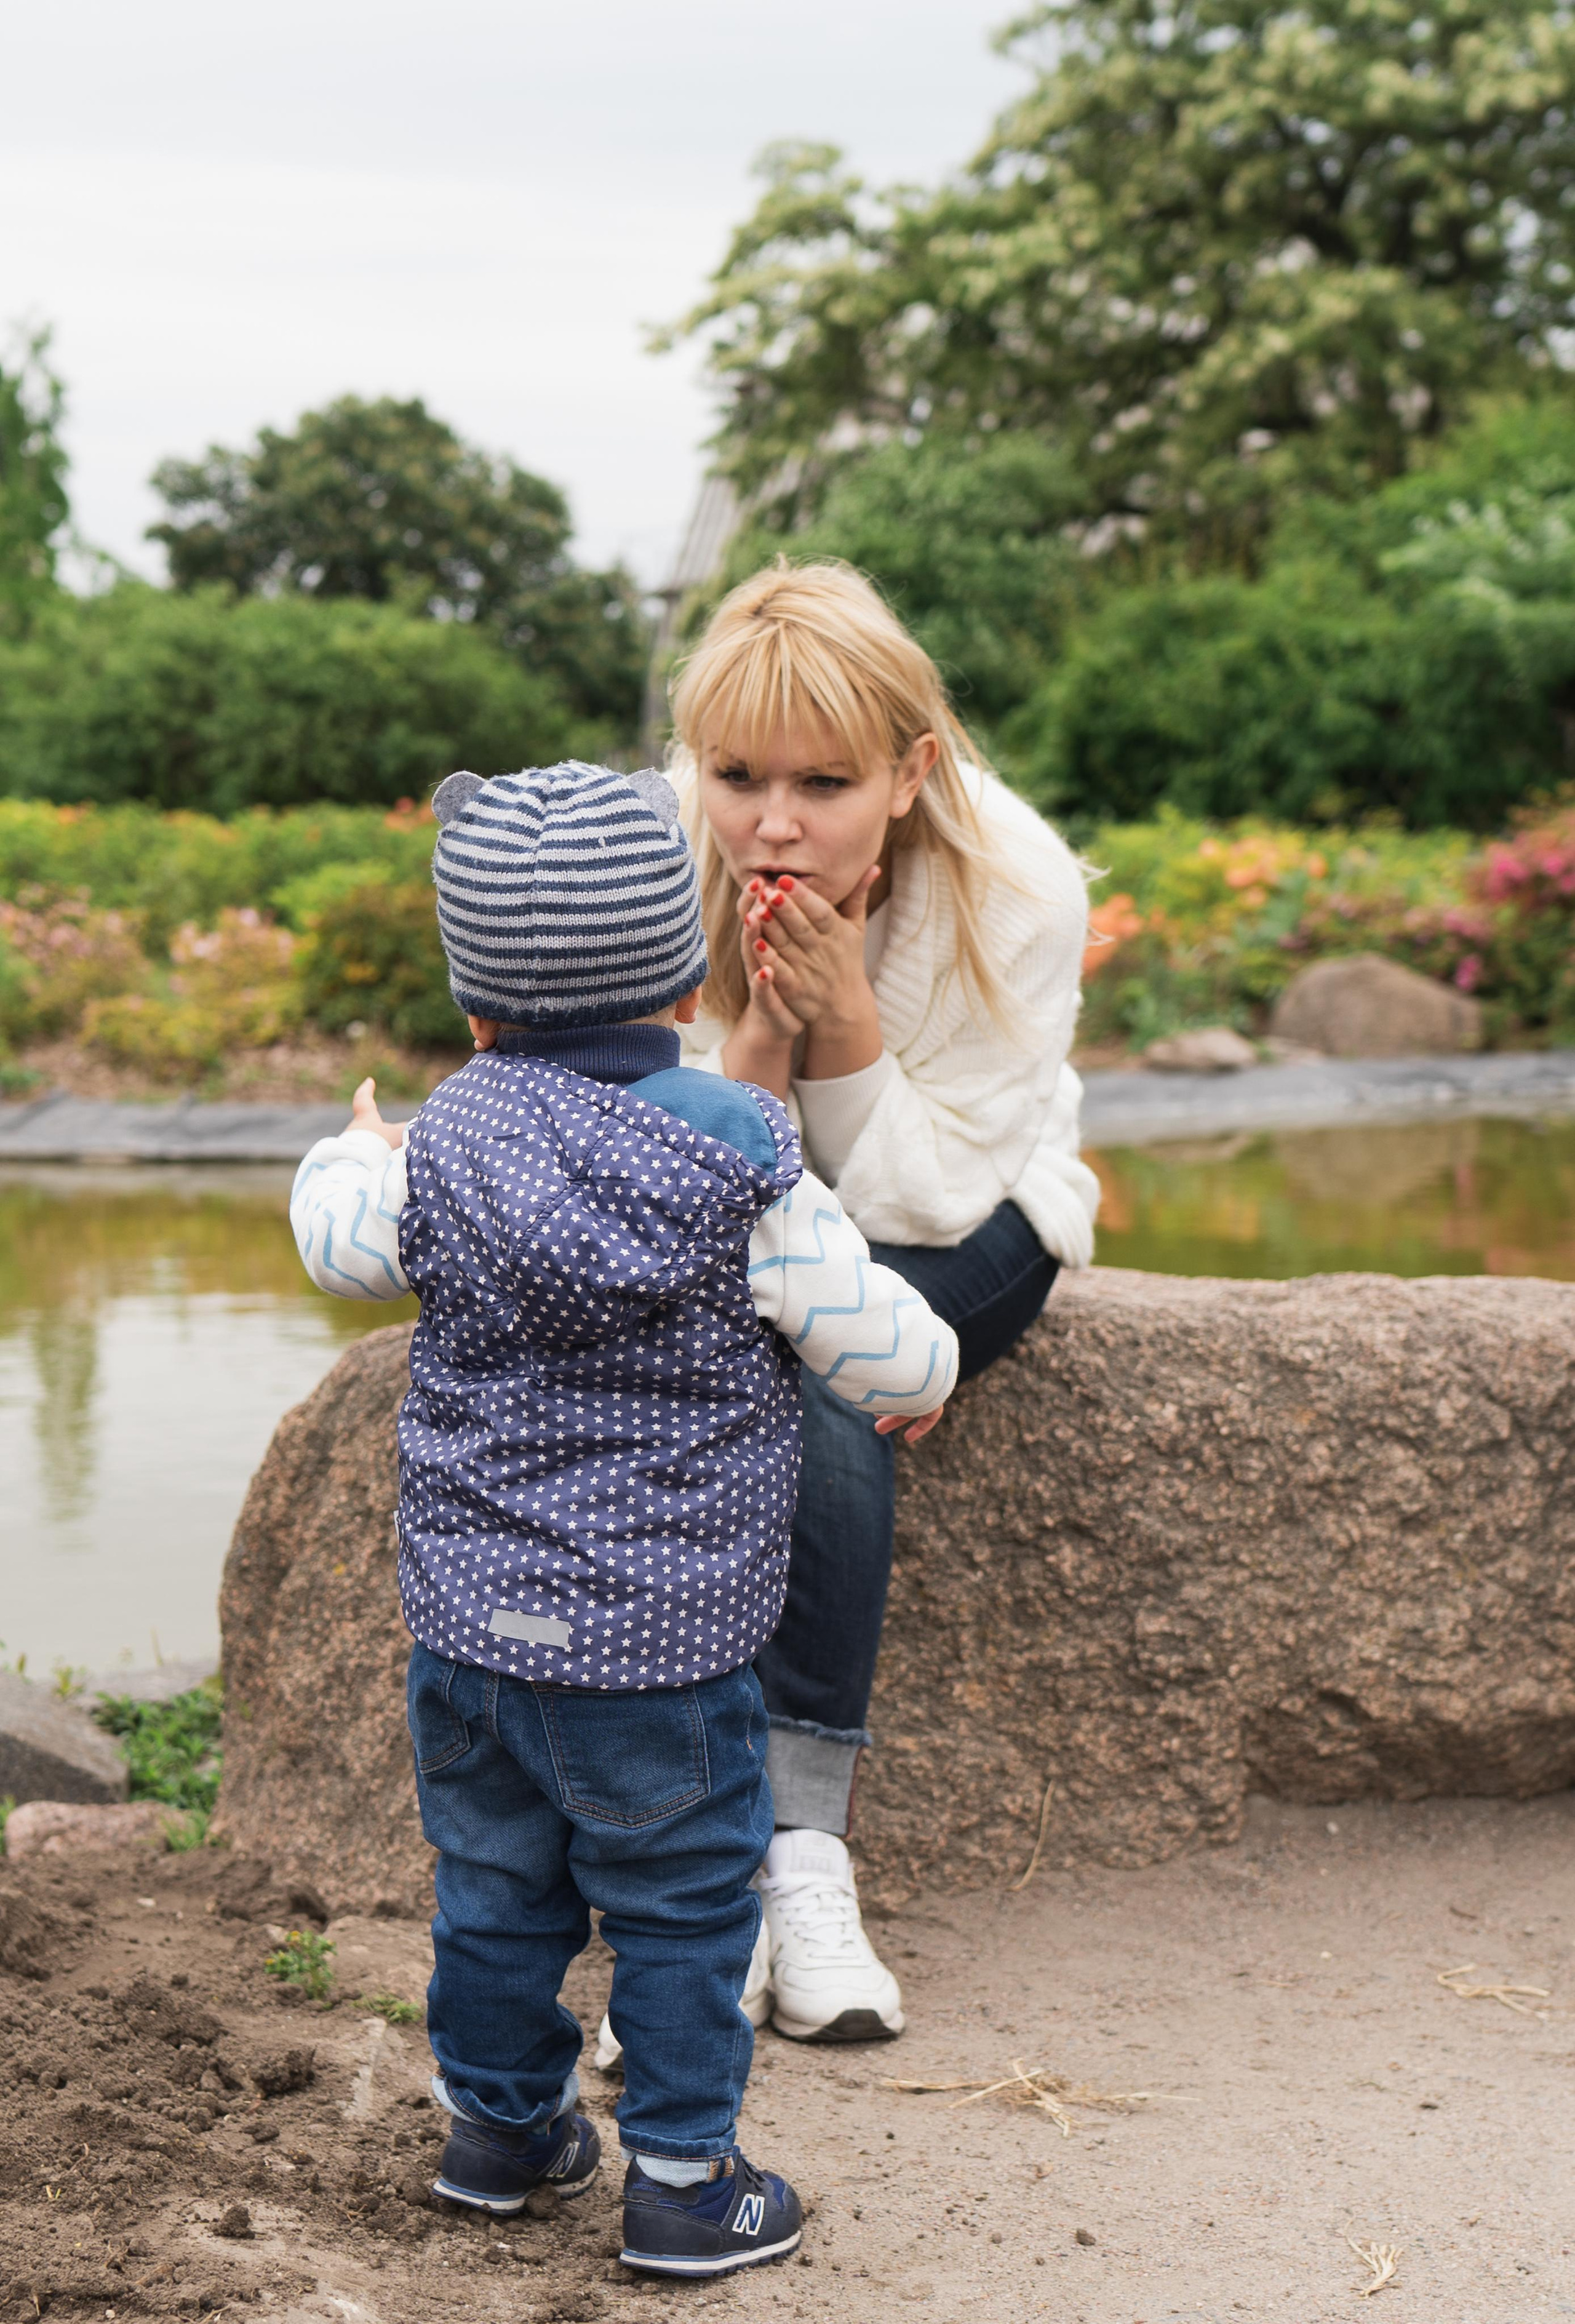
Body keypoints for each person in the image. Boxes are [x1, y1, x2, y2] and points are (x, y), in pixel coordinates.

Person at [289, 757, 959, 2280]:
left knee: (496, 1890)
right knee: (676, 1907)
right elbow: (889, 1345)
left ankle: (501, 2133)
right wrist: (916, 1376)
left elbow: (335, 1241)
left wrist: (354, 1143)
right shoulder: (735, 1151)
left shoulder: (440, 1149)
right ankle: (678, 2180)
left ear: (475, 1010)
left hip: (470, 1639)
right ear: (681, 968)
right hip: (663, 1652)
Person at [665, 559, 1098, 2043]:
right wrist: (754, 1041)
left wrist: (838, 1009)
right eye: (735, 775)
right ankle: (699, 1871)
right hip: (772, 1211)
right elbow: (681, 1159)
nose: (768, 821)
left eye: (821, 782)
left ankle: (797, 1847)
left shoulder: (1021, 883)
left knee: (823, 1341)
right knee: (763, 1318)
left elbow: (921, 1204)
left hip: (978, 1215)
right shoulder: (680, 839)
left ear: (909, 770)